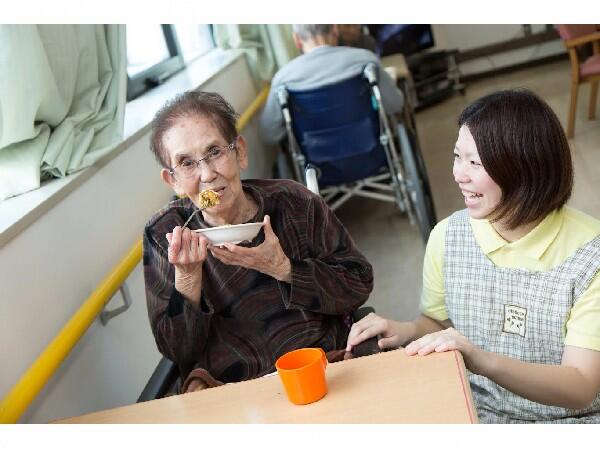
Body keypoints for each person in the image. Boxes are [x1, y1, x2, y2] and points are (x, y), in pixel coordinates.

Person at [346, 89, 600, 423]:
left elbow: (580, 386)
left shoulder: (590, 257)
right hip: (474, 411)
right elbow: (436, 321)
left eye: (474, 163)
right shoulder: (448, 237)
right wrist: (404, 330)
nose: (458, 174)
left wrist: (480, 360)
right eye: (457, 157)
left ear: (525, 168)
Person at [143, 91, 373, 391]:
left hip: (320, 367)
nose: (207, 174)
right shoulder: (166, 234)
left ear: (239, 152)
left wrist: (285, 269)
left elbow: (358, 285)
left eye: (214, 152)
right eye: (186, 163)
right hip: (230, 388)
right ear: (172, 180)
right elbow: (178, 352)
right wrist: (187, 280)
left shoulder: (294, 203)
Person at [259, 24, 404, 146]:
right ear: (335, 30)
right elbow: (395, 104)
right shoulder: (365, 60)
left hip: (319, 166)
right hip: (370, 148)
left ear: (297, 40)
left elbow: (269, 135)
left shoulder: (283, 78)